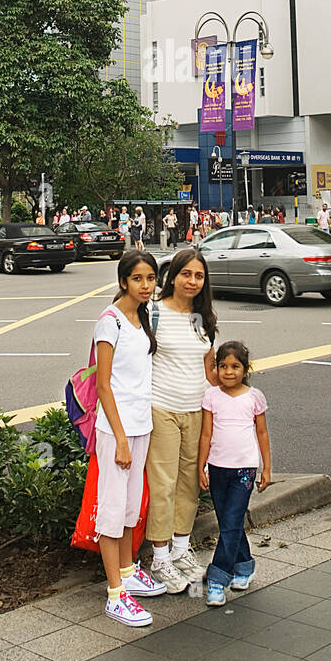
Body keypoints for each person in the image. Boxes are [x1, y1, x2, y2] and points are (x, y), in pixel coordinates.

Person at [93, 249, 167, 627]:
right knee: (111, 511)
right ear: (123, 281)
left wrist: (137, 433)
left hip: (140, 427)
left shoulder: (141, 318)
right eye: (138, 279)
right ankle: (114, 595)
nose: (145, 286)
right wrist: (120, 437)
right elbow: (103, 385)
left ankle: (126, 570)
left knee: (129, 507)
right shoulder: (110, 322)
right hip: (116, 430)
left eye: (151, 279)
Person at [146, 248, 218, 593]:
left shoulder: (203, 318)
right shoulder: (153, 312)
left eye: (198, 276)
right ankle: (159, 558)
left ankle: (180, 550)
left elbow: (210, 369)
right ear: (172, 276)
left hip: (196, 409)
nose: (192, 281)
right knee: (163, 483)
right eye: (186, 274)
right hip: (161, 408)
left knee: (190, 482)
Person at [198, 341, 271, 606]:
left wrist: (267, 468)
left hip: (244, 469)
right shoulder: (211, 397)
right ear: (216, 369)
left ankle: (218, 578)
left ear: (245, 369)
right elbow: (206, 434)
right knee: (230, 520)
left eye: (235, 366)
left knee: (230, 522)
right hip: (217, 468)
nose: (229, 372)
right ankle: (244, 565)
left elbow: (262, 433)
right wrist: (201, 466)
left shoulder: (254, 397)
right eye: (223, 366)